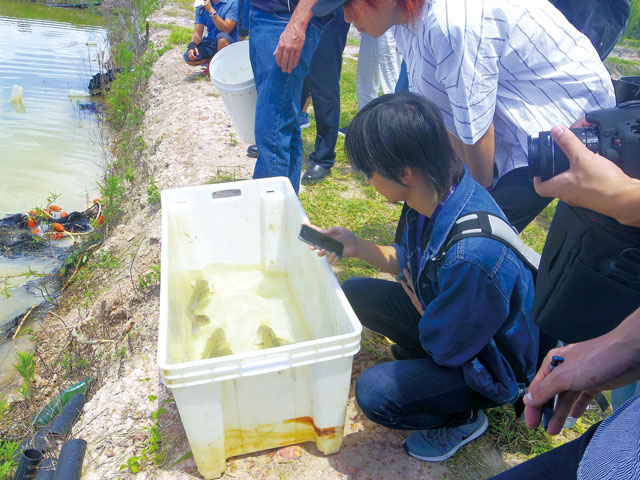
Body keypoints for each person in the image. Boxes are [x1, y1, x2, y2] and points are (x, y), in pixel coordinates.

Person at [309, 93, 539, 462]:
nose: (367, 180)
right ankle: (425, 368)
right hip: (449, 317)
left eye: (368, 171)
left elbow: (449, 347)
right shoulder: (434, 192)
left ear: (404, 172)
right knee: (354, 293)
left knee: (376, 393)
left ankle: (462, 417)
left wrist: (422, 305)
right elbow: (409, 260)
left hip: (488, 363)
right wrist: (355, 246)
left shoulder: (471, 257)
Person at [312, 0, 616, 232]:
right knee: (426, 207)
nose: (347, 17)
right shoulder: (406, 21)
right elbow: (442, 113)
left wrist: (475, 195)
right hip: (503, 113)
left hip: (557, 119)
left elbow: (475, 127)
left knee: (476, 229)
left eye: (349, 4)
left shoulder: (450, 21)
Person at [248, 0, 327, 194]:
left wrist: (297, 24)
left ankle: (269, 216)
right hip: (265, 14)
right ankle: (286, 211)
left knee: (272, 131)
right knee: (284, 126)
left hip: (285, 18)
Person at [299, 7, 351, 185]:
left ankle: (323, 157)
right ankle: (281, 140)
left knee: (324, 79)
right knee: (294, 73)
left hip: (329, 9)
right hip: (295, 9)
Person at [184, 0, 239, 71]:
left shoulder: (232, 2)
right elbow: (197, 33)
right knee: (189, 58)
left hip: (228, 42)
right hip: (210, 42)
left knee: (222, 39)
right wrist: (192, 45)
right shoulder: (201, 4)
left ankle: (224, 68)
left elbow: (226, 29)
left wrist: (211, 10)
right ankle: (213, 63)